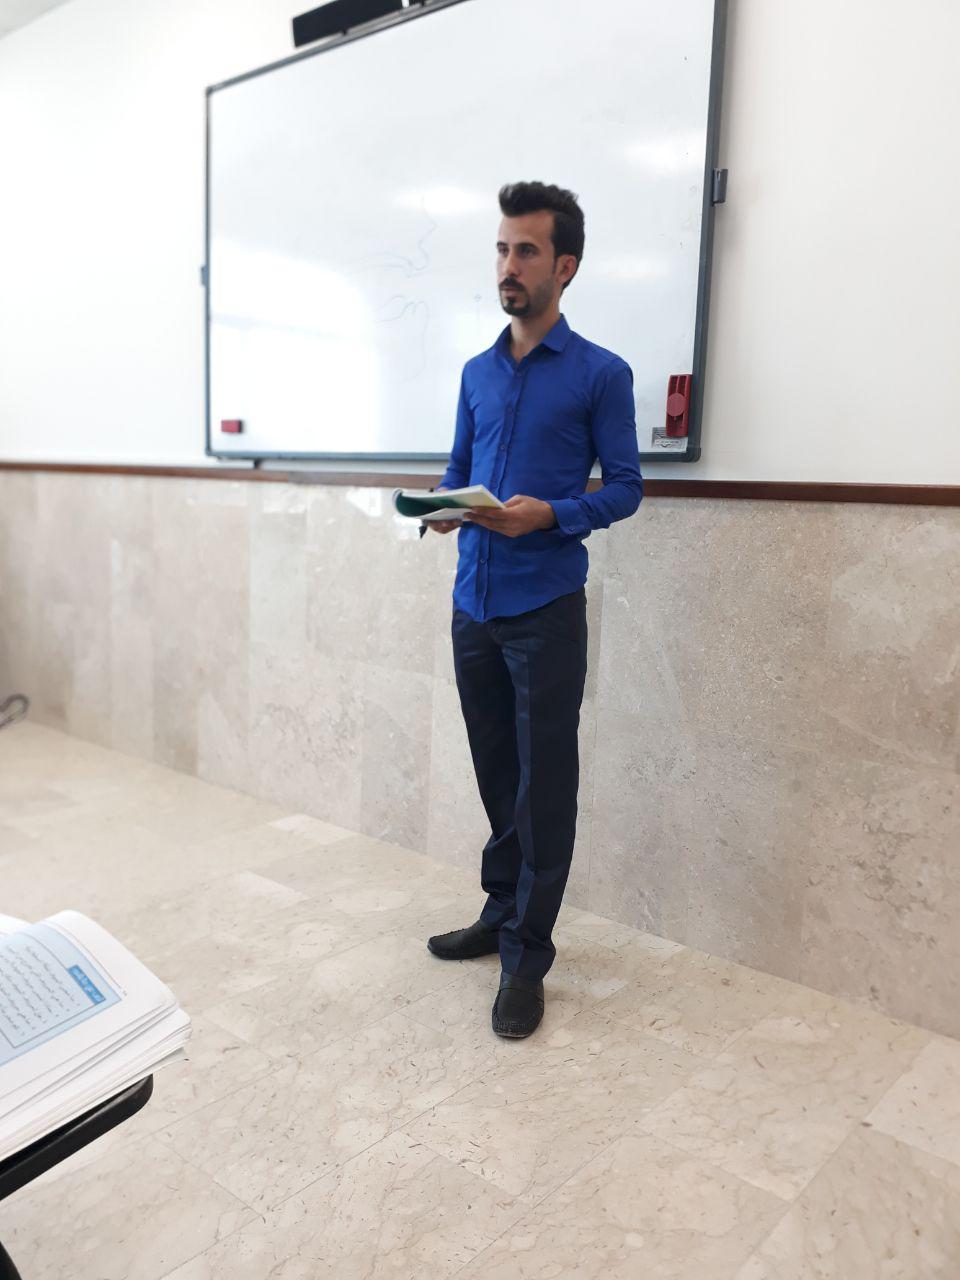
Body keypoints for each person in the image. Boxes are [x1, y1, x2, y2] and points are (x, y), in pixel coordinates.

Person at [426, 181, 643, 1038]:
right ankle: (500, 912)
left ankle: (527, 958)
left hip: (544, 608)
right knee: (496, 773)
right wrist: (442, 507)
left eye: (525, 251)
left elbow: (625, 489)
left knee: (543, 789)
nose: (508, 266)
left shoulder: (601, 374)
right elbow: (457, 470)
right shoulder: (476, 373)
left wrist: (548, 514)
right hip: (472, 604)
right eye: (501, 249)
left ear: (565, 266)